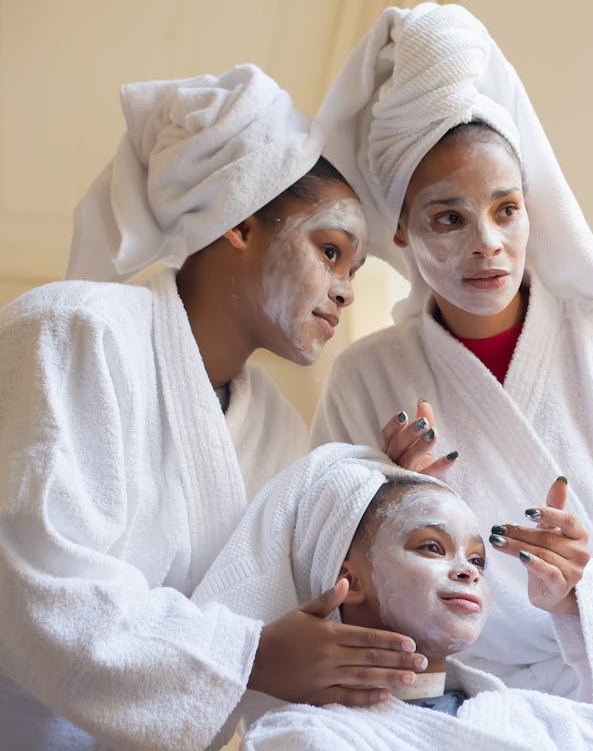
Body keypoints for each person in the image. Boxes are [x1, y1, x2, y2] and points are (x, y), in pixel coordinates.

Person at [310, 3, 593, 747]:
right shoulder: (364, 380)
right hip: (468, 716)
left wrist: (584, 592)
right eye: (448, 218)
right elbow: (331, 589)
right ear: (401, 230)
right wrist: (389, 511)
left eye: (506, 209)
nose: (487, 243)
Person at [0, 65, 425, 750]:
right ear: (239, 222)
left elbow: (284, 599)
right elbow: (34, 582)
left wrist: (376, 496)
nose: (346, 291)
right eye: (329, 251)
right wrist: (248, 655)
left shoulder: (275, 427)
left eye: (353, 271)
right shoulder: (74, 330)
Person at [194, 444, 593, 750]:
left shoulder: (537, 719)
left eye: (478, 560)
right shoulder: (301, 738)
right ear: (349, 579)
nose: (467, 570)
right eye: (432, 547)